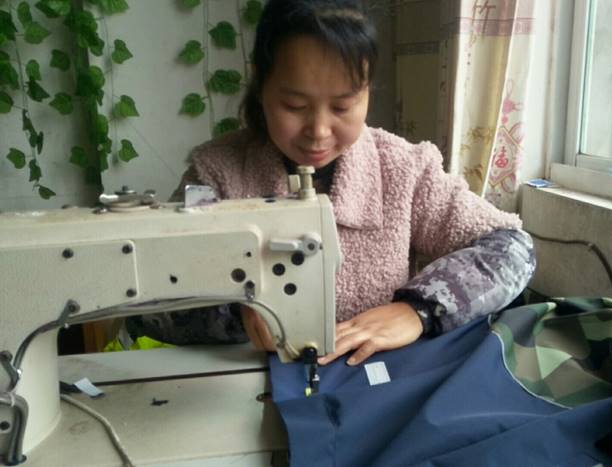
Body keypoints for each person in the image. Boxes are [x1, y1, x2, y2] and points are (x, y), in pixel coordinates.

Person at [127, 0, 535, 366]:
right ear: (260, 84)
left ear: (367, 91)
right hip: (246, 385)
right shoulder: (216, 174)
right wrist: (235, 312)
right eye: (295, 105)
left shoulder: (404, 170)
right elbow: (148, 299)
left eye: (342, 106)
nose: (319, 131)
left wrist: (420, 310)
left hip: (373, 387)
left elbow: (512, 249)